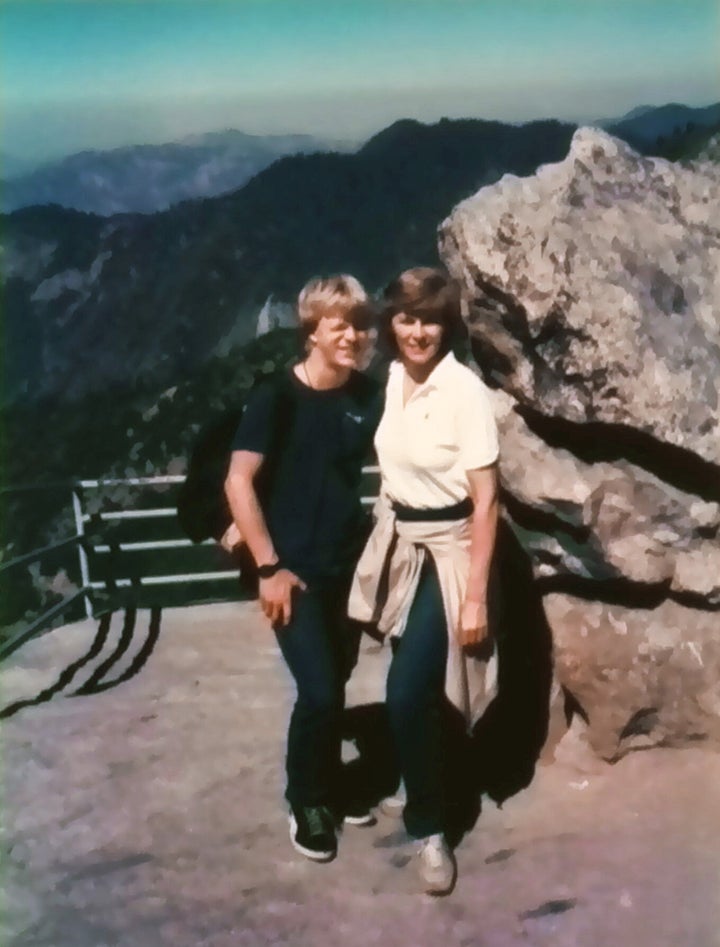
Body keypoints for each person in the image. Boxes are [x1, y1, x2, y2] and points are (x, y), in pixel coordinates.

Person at [348, 266, 499, 895]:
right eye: (406, 318)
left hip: (450, 550)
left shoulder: (463, 392)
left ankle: (432, 829)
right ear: (391, 324)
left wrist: (475, 597)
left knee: (407, 692)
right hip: (401, 543)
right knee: (411, 672)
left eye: (430, 319)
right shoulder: (386, 383)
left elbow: (486, 502)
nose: (417, 331)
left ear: (448, 325)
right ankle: (421, 778)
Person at [225, 275, 381, 862]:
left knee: (335, 685)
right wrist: (267, 568)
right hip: (290, 571)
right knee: (318, 691)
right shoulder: (276, 396)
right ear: (312, 330)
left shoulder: (366, 398)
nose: (354, 335)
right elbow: (237, 479)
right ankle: (308, 798)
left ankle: (328, 783)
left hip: (345, 565)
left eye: (361, 324)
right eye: (340, 324)